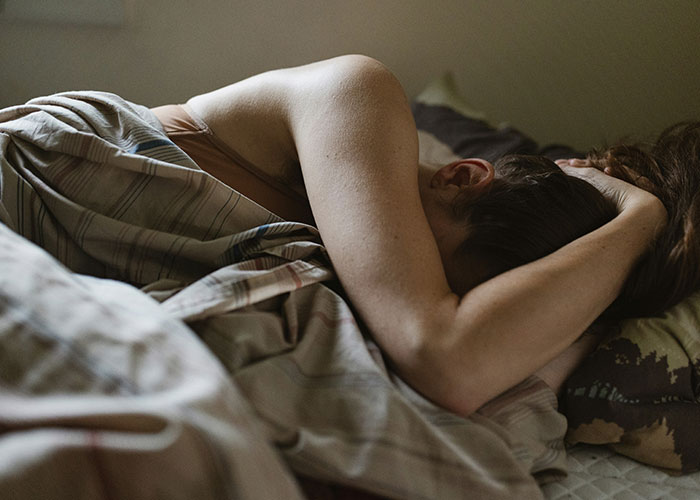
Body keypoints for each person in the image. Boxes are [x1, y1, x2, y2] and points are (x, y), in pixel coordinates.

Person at [151, 54, 668, 415]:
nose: (420, 289)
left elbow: (500, 360)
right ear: (461, 177)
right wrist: (643, 217)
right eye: (437, 276)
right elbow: (450, 363)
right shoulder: (357, 91)